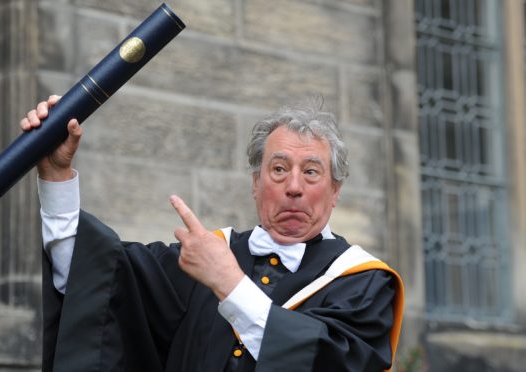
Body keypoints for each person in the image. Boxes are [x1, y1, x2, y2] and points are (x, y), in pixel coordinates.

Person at [21, 95, 404, 372]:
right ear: (255, 183)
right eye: (278, 169)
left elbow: (333, 363)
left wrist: (229, 284)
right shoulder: (197, 260)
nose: (293, 187)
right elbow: (91, 285)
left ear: (335, 191)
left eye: (311, 172)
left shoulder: (364, 285)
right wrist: (56, 177)